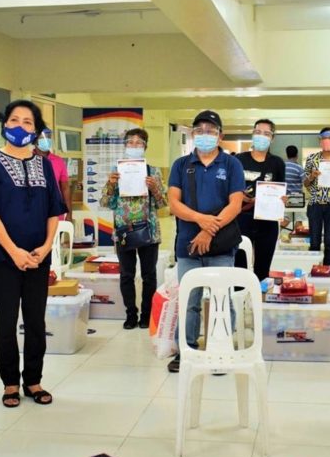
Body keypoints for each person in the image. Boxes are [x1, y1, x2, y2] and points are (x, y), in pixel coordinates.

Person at [0, 100, 67, 407]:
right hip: (4, 257)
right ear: (4, 124)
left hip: (39, 256)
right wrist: (14, 251)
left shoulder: (45, 164)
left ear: (36, 130)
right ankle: (10, 383)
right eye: (14, 120)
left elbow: (55, 209)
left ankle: (34, 381)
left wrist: (47, 245)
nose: (20, 126)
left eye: (28, 122)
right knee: (7, 320)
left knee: (36, 321)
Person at [166, 110, 245, 373]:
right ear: (192, 134)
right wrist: (201, 220)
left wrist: (209, 229)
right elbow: (174, 204)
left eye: (211, 130)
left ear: (220, 135)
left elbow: (235, 205)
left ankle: (221, 350)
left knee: (221, 298)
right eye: (199, 130)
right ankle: (185, 349)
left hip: (221, 244)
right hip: (188, 244)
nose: (205, 134)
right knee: (189, 298)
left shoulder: (231, 165)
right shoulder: (181, 165)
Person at [99, 127, 167, 329]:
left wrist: (154, 187)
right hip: (123, 230)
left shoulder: (153, 171)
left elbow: (163, 203)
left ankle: (146, 314)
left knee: (149, 275)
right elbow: (105, 202)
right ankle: (131, 314)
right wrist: (111, 185)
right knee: (126, 275)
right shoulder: (116, 171)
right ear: (125, 146)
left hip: (149, 230)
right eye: (130, 142)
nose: (134, 146)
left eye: (139, 143)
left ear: (145, 146)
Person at [236, 118, 286, 281]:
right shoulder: (239, 160)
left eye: (266, 133)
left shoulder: (277, 163)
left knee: (262, 270)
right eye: (258, 132)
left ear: (272, 138)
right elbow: (230, 190)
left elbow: (280, 189)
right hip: (241, 220)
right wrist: (242, 197)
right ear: (252, 134)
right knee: (240, 267)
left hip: (267, 222)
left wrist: (282, 200)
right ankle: (240, 301)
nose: (261, 136)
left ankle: (258, 302)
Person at [304, 127, 330, 267]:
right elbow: (305, 183)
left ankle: (327, 270)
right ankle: (314, 270)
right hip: (315, 204)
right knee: (314, 242)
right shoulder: (312, 159)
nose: (327, 141)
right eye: (324, 138)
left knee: (329, 242)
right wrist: (312, 176)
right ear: (320, 141)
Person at [37, 127, 72, 221]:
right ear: (35, 140)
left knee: (56, 235)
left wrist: (69, 213)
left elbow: (65, 188)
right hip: (34, 214)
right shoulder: (27, 159)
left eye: (49, 137)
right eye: (43, 137)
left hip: (56, 214)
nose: (46, 140)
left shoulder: (58, 161)